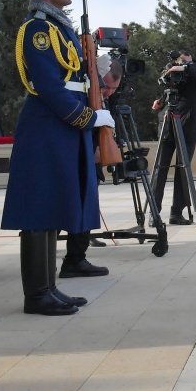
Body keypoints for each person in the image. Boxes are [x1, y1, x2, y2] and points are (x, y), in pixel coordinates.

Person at [1, 0, 117, 315]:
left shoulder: (59, 27)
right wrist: (87, 118)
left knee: (52, 207)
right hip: (48, 125)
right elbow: (49, 87)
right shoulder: (38, 30)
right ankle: (36, 295)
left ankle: (48, 287)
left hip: (62, 127)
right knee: (39, 208)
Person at [59, 56, 125, 274]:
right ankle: (47, 261)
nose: (108, 93)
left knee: (85, 209)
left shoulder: (102, 97)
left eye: (113, 89)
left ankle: (76, 259)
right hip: (73, 156)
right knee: (60, 209)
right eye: (106, 87)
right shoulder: (81, 92)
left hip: (89, 160)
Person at [150, 50, 196, 224]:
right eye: (180, 60)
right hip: (168, 125)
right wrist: (160, 100)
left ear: (191, 58)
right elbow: (167, 88)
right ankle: (154, 214)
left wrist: (186, 67)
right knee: (159, 170)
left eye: (185, 59)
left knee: (182, 172)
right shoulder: (171, 68)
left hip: (188, 127)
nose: (181, 61)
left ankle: (176, 213)